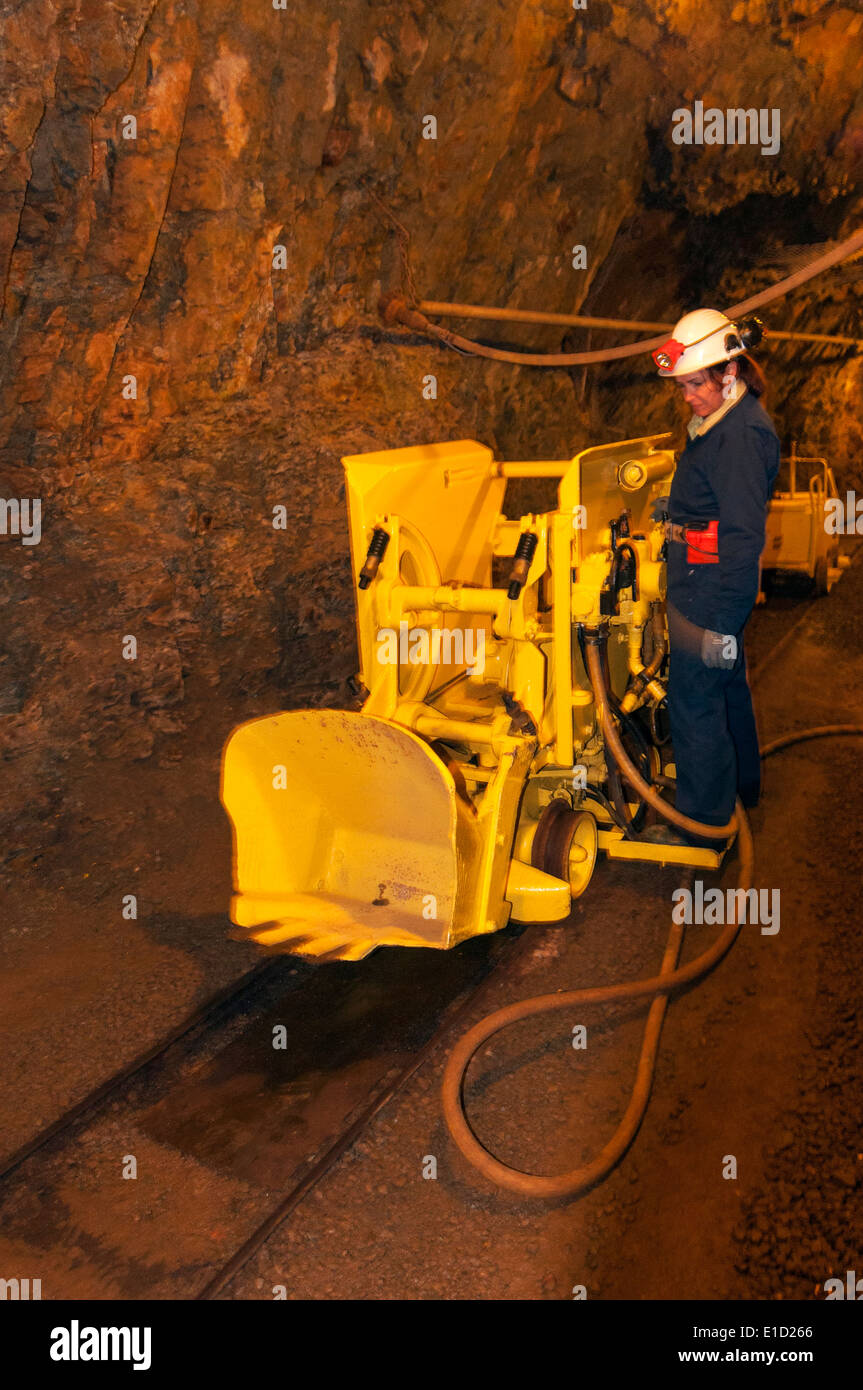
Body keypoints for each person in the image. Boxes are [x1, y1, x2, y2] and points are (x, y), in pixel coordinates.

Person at [642, 308, 780, 848]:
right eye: (681, 386)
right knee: (726, 688)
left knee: (695, 702)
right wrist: (671, 509)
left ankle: (702, 828)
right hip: (704, 585)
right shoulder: (720, 421)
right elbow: (713, 500)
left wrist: (722, 618)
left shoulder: (742, 436)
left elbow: (743, 537)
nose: (687, 396)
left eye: (694, 384)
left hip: (710, 594)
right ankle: (743, 788)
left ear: (730, 372)